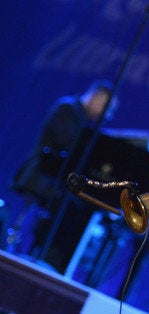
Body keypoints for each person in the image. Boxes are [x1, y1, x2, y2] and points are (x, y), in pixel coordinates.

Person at [8, 79, 118, 262]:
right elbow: (68, 144)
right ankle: (45, 255)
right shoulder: (67, 109)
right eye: (106, 109)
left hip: (54, 178)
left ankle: (51, 257)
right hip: (41, 175)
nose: (105, 116)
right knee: (69, 208)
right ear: (97, 98)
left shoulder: (82, 118)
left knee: (74, 206)